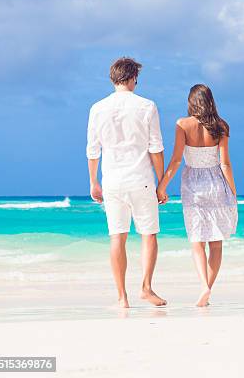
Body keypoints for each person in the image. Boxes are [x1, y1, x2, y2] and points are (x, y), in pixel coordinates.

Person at [86, 57, 167, 308]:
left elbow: (93, 150)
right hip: (140, 179)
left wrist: (93, 182)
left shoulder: (97, 108)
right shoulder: (147, 106)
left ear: (113, 79)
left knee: (116, 237)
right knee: (148, 234)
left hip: (111, 181)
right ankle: (146, 288)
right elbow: (156, 147)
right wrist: (161, 182)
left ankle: (122, 297)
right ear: (133, 78)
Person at [156, 84, 237, 307]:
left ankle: (203, 285)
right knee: (216, 243)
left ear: (191, 101)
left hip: (193, 185)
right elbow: (225, 164)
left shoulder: (183, 124)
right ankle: (208, 289)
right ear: (211, 100)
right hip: (217, 184)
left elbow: (175, 160)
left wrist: (161, 186)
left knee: (197, 241)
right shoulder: (221, 126)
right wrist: (233, 192)